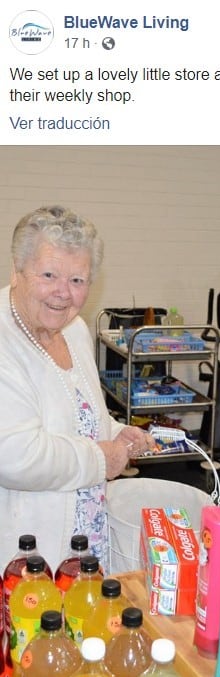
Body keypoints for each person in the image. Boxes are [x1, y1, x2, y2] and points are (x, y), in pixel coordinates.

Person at [0, 205, 157, 573]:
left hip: (83, 540)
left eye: (77, 280)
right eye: (49, 274)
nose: (62, 293)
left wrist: (118, 433)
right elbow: (15, 455)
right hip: (25, 551)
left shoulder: (73, 329)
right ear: (17, 271)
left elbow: (80, 414)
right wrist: (105, 458)